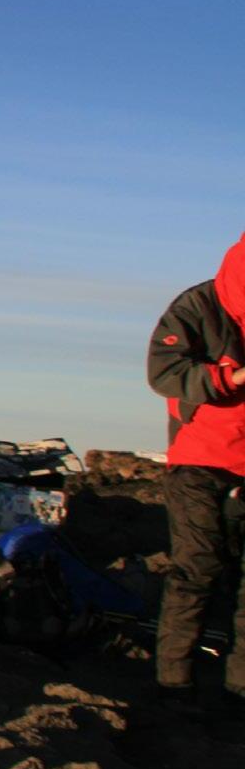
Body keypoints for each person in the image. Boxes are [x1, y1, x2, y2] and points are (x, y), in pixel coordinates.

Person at [145, 232, 245, 710]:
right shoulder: (199, 306)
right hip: (200, 459)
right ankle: (174, 685)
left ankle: (238, 692)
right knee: (196, 569)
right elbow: (163, 372)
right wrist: (232, 376)